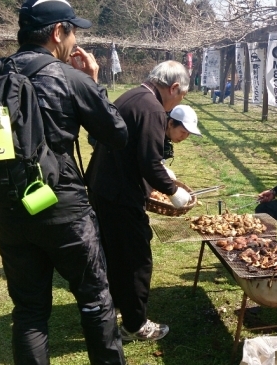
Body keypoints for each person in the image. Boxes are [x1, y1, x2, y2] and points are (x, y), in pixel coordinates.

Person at [0, 0, 128, 363]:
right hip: (63, 209)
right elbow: (116, 133)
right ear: (56, 32)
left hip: (9, 209)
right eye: (73, 30)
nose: (74, 39)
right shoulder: (69, 77)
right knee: (96, 302)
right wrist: (94, 82)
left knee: (30, 312)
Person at [86, 61, 200, 342]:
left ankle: (113, 308)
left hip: (103, 187)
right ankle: (135, 325)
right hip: (120, 195)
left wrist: (161, 172)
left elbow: (136, 151)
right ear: (174, 87)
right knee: (137, 259)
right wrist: (172, 190)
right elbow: (149, 161)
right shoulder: (152, 107)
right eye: (181, 95)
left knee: (114, 254)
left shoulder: (131, 95)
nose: (178, 101)